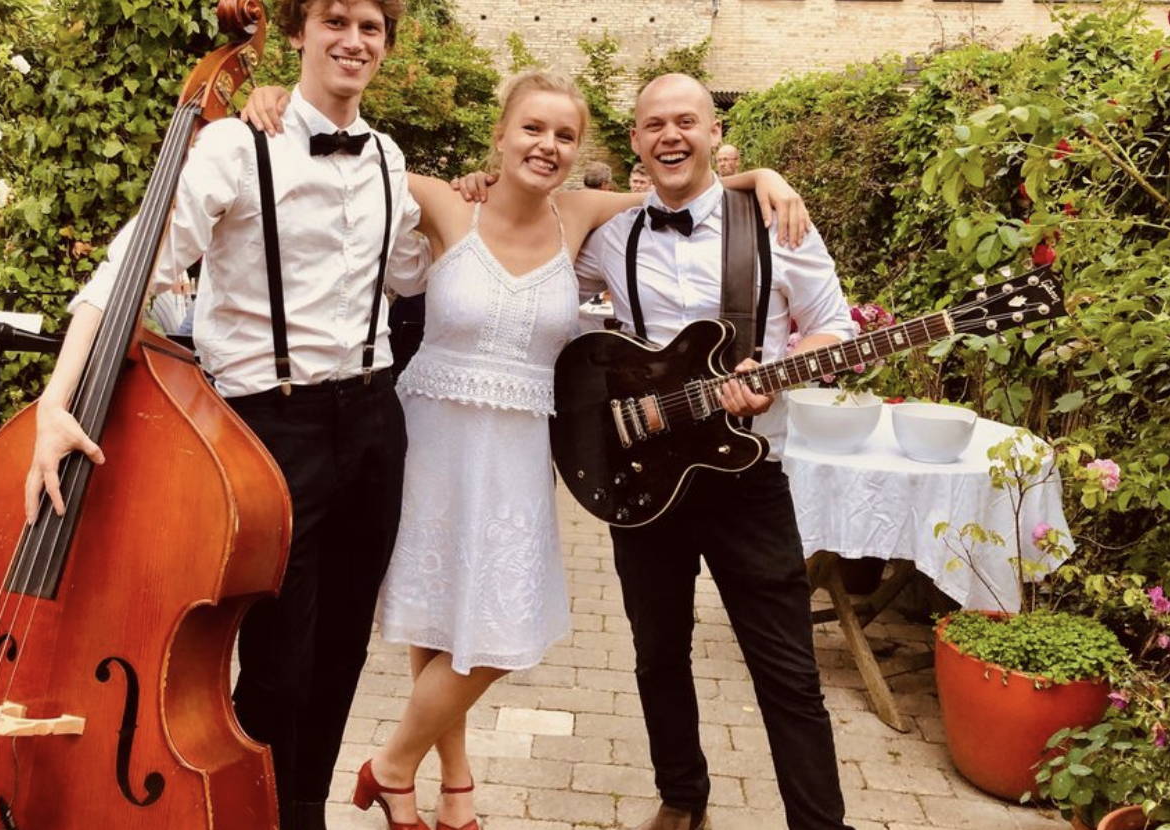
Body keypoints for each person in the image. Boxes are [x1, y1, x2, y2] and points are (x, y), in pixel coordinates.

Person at [243, 73, 813, 830]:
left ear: (580, 153)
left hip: (521, 446)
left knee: (504, 626)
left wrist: (761, 174)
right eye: (533, 130)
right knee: (438, 616)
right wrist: (277, 100)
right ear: (501, 135)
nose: (548, 147)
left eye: (565, 137)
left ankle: (388, 765)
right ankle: (452, 788)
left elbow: (685, 184)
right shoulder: (446, 204)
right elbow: (337, 159)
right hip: (431, 435)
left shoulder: (580, 215)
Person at [24, 0, 428, 830]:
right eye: (335, 21)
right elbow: (127, 272)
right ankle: (253, 815)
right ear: (295, 33)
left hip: (372, 425)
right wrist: (58, 403)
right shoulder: (233, 147)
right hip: (267, 433)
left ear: (386, 44)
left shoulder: (392, 160)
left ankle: (306, 812)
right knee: (279, 665)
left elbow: (408, 274)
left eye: (370, 27)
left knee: (344, 651)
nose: (354, 40)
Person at [575, 73, 857, 830]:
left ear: (713, 135)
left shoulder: (774, 222)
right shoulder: (608, 235)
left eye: (686, 122)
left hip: (747, 477)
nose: (670, 135)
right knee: (657, 654)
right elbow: (526, 257)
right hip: (644, 470)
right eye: (654, 124)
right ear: (635, 141)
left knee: (788, 673)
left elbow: (836, 326)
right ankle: (682, 799)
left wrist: (772, 377)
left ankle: (820, 824)